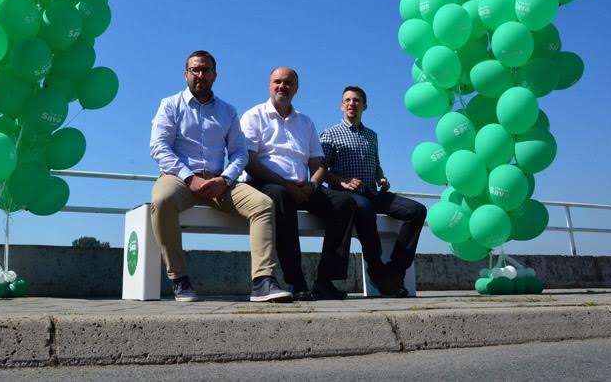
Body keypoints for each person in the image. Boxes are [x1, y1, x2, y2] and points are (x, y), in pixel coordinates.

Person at [149, 50, 292, 303]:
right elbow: (159, 147)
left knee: (263, 205)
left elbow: (239, 153)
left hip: (219, 182)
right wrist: (189, 177)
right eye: (195, 70)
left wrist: (225, 179)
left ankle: (262, 281)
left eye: (206, 70)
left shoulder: (227, 111)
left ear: (215, 75)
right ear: (186, 74)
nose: (200, 75)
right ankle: (179, 279)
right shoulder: (170, 105)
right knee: (162, 200)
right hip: (179, 178)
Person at [240, 67, 357, 300]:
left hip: (303, 187)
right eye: (277, 82)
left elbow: (319, 163)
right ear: (269, 85)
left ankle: (325, 280)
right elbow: (249, 163)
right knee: (280, 196)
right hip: (264, 183)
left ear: (296, 88)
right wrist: (288, 185)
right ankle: (296, 281)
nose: (282, 86)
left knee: (344, 203)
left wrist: (312, 185)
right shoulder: (253, 116)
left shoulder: (305, 122)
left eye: (288, 83)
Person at [320, 85, 426, 298]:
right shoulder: (329, 134)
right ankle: (376, 268)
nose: (352, 103)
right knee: (364, 208)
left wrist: (381, 178)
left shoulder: (372, 135)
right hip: (345, 195)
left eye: (356, 100)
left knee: (417, 210)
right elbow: (321, 171)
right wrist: (343, 183)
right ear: (341, 105)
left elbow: (376, 164)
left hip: (372, 192)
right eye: (347, 100)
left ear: (364, 106)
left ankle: (395, 270)